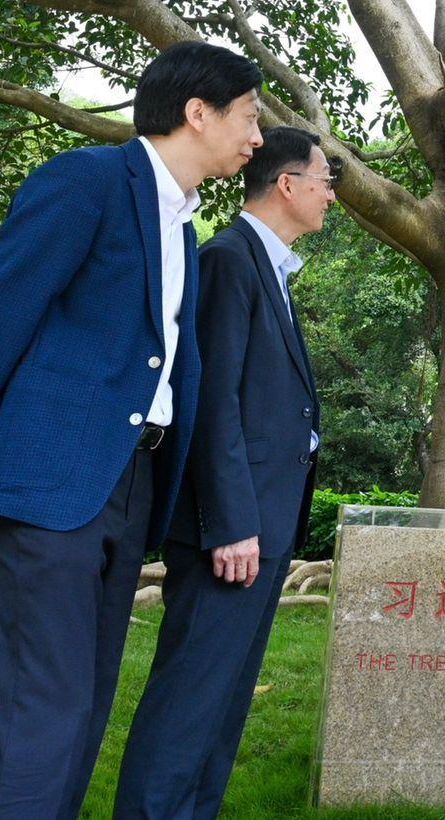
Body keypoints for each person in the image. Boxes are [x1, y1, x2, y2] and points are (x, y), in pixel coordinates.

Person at [0, 40, 264, 819]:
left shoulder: (181, 228)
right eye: (248, 117)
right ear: (196, 112)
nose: (255, 138)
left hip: (133, 483)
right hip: (50, 481)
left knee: (83, 711)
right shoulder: (85, 181)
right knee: (39, 715)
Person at [114, 126, 337, 819]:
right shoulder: (229, 261)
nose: (333, 194)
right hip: (230, 534)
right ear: (287, 184)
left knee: (222, 707)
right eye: (327, 178)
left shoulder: (266, 266)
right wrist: (231, 525)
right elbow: (213, 407)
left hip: (263, 530)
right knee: (189, 702)